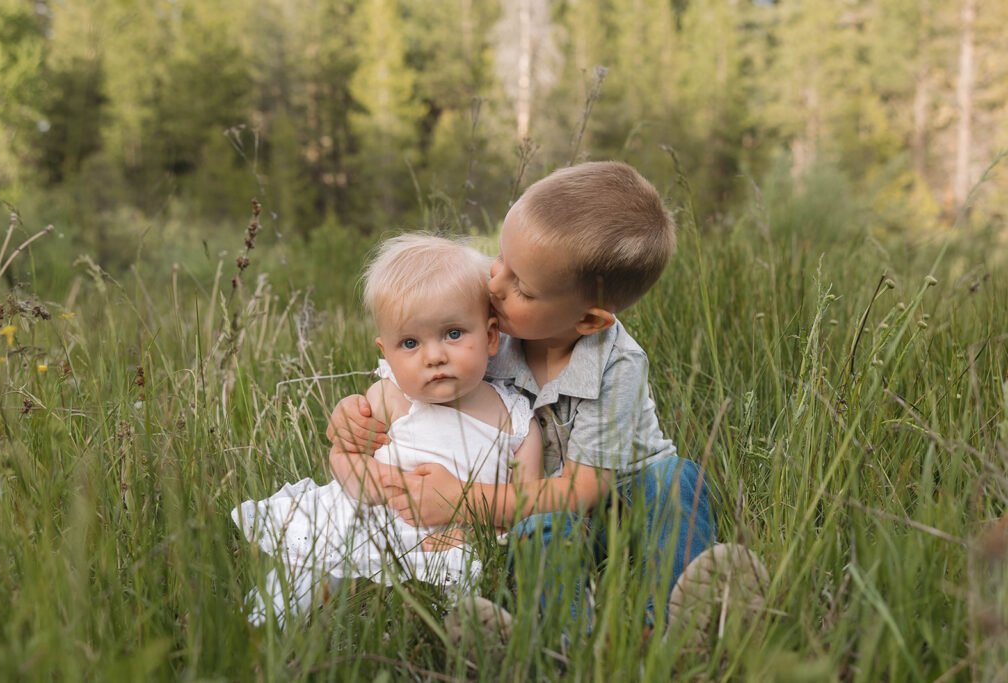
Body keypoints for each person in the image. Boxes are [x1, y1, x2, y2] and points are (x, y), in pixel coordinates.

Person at [328, 162, 766, 640]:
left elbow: (583, 491)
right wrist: (353, 414)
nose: (494, 286)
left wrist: (461, 500)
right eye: (500, 259)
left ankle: (670, 627)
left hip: (616, 503)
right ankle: (566, 641)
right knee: (540, 531)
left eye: (522, 287)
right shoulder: (492, 328)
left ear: (588, 321)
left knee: (680, 479)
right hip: (537, 515)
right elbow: (409, 376)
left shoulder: (616, 366)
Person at [233, 233, 543, 626]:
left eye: (453, 333)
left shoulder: (514, 419)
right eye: (410, 342)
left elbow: (526, 501)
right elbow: (346, 452)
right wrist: (368, 477)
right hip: (374, 517)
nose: (434, 356)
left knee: (465, 578)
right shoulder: (391, 397)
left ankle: (465, 632)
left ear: (491, 336)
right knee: (314, 559)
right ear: (387, 353)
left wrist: (471, 533)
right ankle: (261, 622)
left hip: (456, 537)